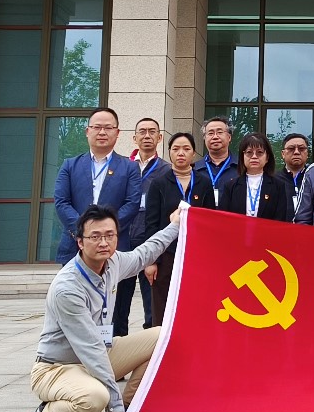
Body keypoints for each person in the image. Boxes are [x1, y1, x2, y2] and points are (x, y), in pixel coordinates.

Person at [29, 202, 182, 412]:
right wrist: (113, 404)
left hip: (100, 351)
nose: (104, 243)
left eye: (110, 235)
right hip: (58, 367)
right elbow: (90, 348)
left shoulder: (113, 262)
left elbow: (144, 254)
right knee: (94, 398)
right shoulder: (67, 288)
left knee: (164, 337)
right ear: (80, 242)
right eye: (95, 237)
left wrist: (175, 225)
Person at [52, 108, 144, 338]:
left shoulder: (130, 167)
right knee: (74, 309)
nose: (102, 132)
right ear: (87, 131)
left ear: (117, 133)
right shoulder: (70, 165)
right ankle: (77, 353)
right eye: (97, 127)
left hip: (115, 249)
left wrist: (105, 233)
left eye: (108, 128)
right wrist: (83, 232)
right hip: (75, 246)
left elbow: (132, 204)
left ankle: (116, 355)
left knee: (118, 313)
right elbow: (61, 202)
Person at [142, 132, 216, 323]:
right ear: (169, 152)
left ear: (194, 153)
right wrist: (151, 260)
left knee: (193, 304)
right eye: (175, 149)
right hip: (166, 254)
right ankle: (160, 340)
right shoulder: (159, 183)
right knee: (162, 305)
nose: (181, 153)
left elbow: (210, 223)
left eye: (186, 149)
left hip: (195, 255)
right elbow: (151, 223)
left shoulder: (204, 183)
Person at [127, 116, 166, 328]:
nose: (147, 136)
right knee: (119, 301)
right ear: (134, 138)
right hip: (124, 240)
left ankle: (151, 342)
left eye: (152, 132)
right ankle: (117, 342)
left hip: (150, 240)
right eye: (142, 132)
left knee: (152, 301)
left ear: (160, 138)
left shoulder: (166, 170)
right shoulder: (124, 167)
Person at [220, 132, 294, 222]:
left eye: (259, 152)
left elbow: (280, 219)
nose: (254, 157)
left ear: (267, 157)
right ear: (242, 157)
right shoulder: (230, 186)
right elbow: (224, 219)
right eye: (249, 152)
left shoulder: (278, 186)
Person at [194, 116, 239, 205]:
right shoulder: (194, 170)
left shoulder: (241, 168)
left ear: (229, 137)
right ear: (204, 138)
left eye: (219, 132)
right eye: (210, 133)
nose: (215, 137)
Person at [281, 132, 310, 212]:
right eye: (291, 148)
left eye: (301, 148)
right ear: (283, 154)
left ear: (307, 153)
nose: (296, 152)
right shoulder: (273, 180)